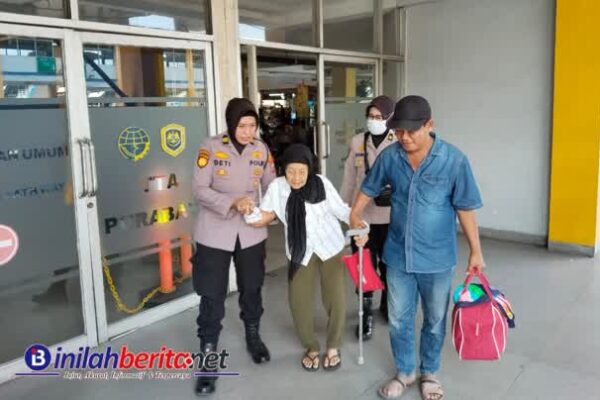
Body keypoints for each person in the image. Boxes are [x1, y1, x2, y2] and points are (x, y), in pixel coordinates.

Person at [349, 95, 485, 400]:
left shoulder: (453, 160)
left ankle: (430, 372)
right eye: (399, 132)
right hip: (398, 255)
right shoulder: (390, 157)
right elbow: (369, 187)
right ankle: (405, 371)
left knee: (434, 320)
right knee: (399, 319)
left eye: (411, 131)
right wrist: (355, 214)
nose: (404, 138)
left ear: (429, 125)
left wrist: (476, 251)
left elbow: (465, 207)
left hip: (437, 259)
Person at [250, 144, 367, 372]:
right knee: (299, 300)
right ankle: (311, 346)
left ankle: (333, 345)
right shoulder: (277, 187)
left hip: (330, 245)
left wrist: (358, 225)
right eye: (291, 171)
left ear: (309, 169)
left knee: (335, 297)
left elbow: (342, 210)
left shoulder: (321, 183)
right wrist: (248, 211)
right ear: (284, 169)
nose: (296, 177)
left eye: (301, 172)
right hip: (299, 250)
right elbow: (264, 215)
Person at [191, 97, 276, 396]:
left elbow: (272, 187)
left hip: (251, 232)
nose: (248, 131)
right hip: (214, 232)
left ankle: (253, 335)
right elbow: (199, 189)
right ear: (231, 124)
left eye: (252, 125)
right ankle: (208, 355)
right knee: (212, 294)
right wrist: (231, 202)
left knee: (252, 287)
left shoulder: (261, 149)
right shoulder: (211, 147)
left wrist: (269, 212)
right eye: (242, 126)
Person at [340, 95, 397, 340]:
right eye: (371, 116)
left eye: (379, 117)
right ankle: (366, 314)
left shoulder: (398, 141)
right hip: (362, 217)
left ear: (390, 119)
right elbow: (349, 179)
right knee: (363, 266)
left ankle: (386, 304)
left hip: (391, 217)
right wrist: (345, 211)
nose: (374, 121)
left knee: (389, 266)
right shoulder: (357, 142)